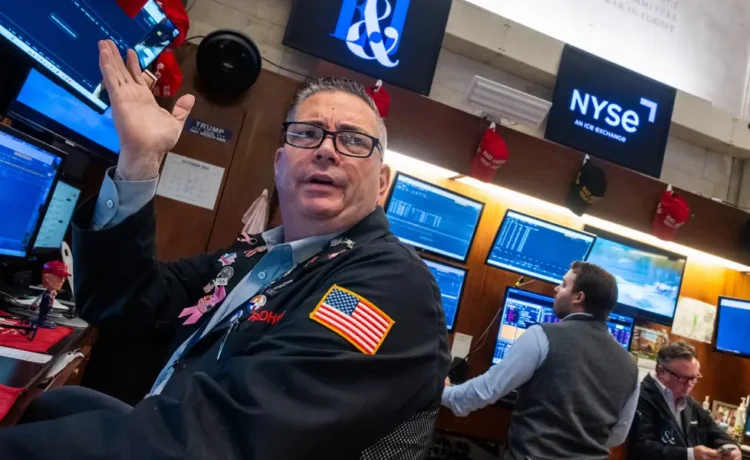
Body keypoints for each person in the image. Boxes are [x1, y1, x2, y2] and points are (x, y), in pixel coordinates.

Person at [0, 40, 450, 459]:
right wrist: (139, 159)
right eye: (307, 133)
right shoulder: (257, 256)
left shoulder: (391, 284)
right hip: (170, 425)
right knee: (54, 405)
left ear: (382, 184)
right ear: (279, 165)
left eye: (353, 140)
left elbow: (224, 440)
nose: (327, 150)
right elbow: (123, 301)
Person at [442, 261, 639, 460]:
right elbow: (618, 435)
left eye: (563, 285)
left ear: (578, 297)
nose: (556, 289)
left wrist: (444, 391)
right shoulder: (631, 366)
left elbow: (483, 392)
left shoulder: (542, 335)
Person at [628, 341, 740, 460]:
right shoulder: (640, 397)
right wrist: (689, 455)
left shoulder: (690, 404)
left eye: (694, 378)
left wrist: (731, 447)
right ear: (661, 371)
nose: (689, 384)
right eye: (683, 378)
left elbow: (716, 432)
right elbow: (641, 447)